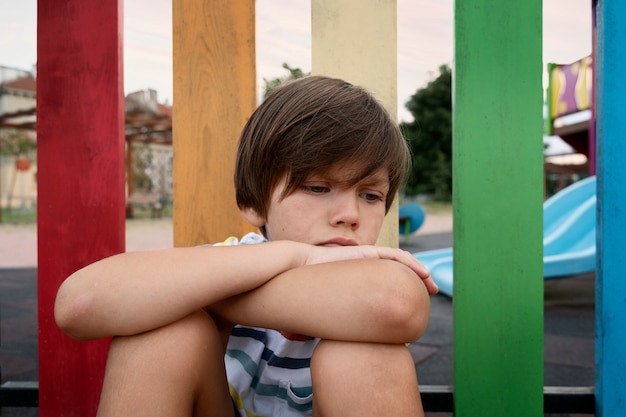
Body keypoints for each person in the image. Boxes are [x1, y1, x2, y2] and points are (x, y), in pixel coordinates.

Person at [55, 75, 439, 417]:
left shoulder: (371, 273)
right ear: (254, 204)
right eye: (318, 188)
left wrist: (198, 298)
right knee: (165, 337)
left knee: (361, 355)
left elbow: (395, 305)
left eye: (371, 196)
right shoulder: (234, 261)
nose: (349, 214)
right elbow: (79, 304)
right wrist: (295, 255)